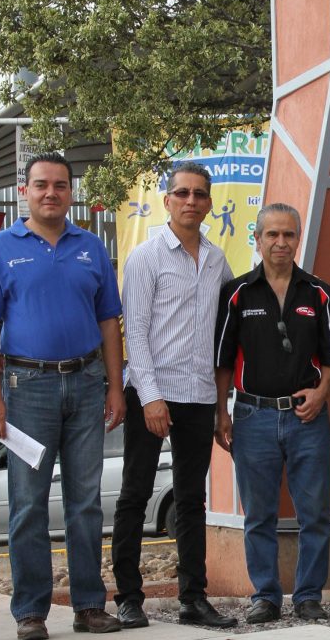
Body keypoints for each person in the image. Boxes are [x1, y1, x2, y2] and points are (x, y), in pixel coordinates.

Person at [0, 152, 125, 640]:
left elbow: (109, 320)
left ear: (70, 192)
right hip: (26, 388)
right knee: (28, 503)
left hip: (86, 383)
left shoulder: (91, 247)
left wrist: (115, 387)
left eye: (60, 185)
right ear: (23, 191)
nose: (51, 193)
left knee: (86, 502)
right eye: (41, 184)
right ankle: (30, 613)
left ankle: (89, 607)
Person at [111, 162, 237, 630]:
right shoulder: (145, 257)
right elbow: (136, 333)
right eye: (182, 193)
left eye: (199, 194)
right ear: (167, 201)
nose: (191, 201)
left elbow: (223, 339)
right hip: (153, 394)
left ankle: (193, 598)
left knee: (190, 499)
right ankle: (128, 597)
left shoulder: (218, 261)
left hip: (199, 396)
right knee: (135, 493)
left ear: (209, 203)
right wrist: (150, 397)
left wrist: (221, 407)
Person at [214, 203, 330, 624]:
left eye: (288, 234)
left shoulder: (320, 293)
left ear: (298, 239)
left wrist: (321, 395)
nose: (280, 242)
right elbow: (222, 360)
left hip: (307, 419)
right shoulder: (237, 293)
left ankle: (308, 596)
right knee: (259, 515)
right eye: (272, 234)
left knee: (314, 514)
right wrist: (221, 413)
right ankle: (265, 596)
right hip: (253, 417)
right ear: (257, 239)